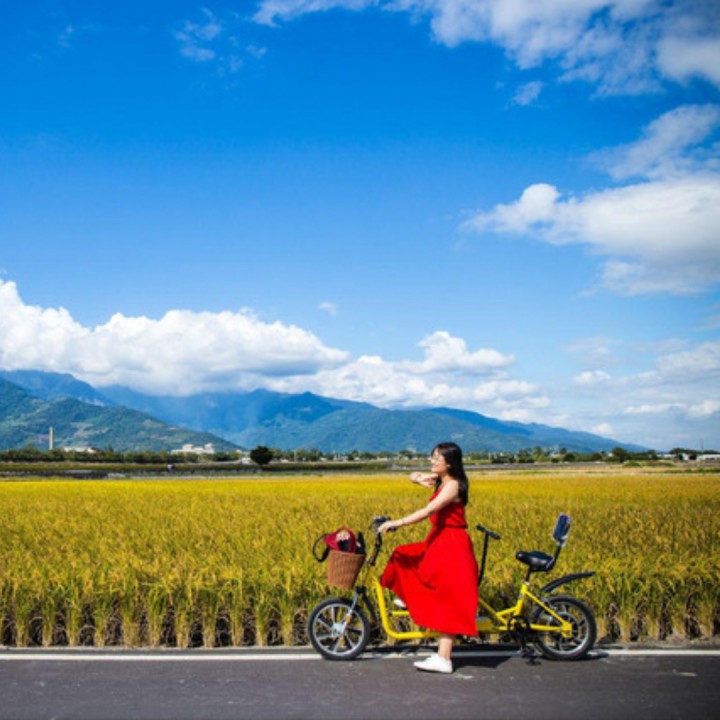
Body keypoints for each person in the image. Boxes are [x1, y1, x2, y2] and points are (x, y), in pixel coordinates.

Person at [378, 442, 478, 674]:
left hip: (452, 544)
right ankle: (411, 597)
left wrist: (397, 522)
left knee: (447, 596)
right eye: (432, 457)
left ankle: (444, 658)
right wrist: (418, 478)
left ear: (449, 463)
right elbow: (413, 475)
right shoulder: (442, 479)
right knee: (403, 554)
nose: (432, 461)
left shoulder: (453, 485)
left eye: (436, 458)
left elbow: (429, 511)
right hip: (440, 540)